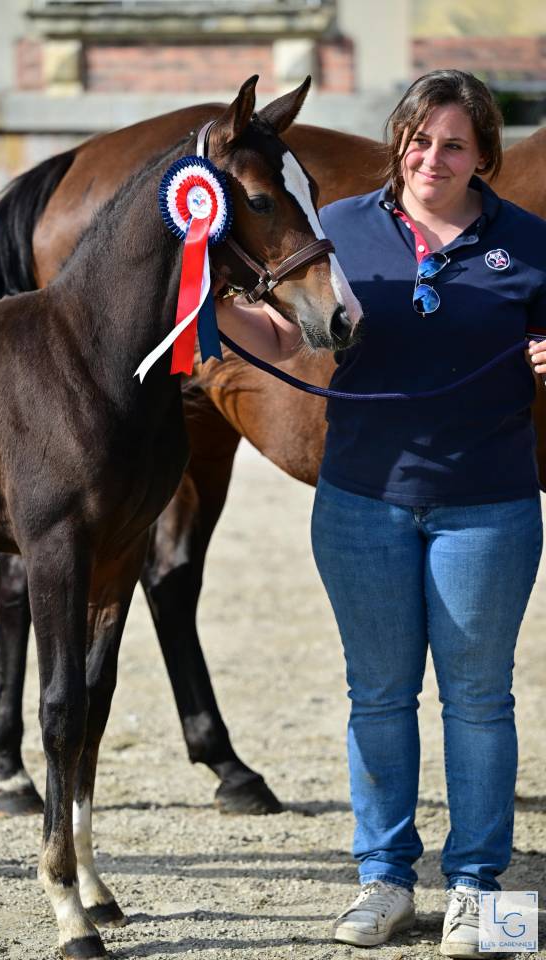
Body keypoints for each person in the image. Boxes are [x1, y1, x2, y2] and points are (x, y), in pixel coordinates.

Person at [216, 69, 546, 958]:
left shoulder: (530, 242)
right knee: (378, 697)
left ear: (483, 156)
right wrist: (216, 309)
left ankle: (478, 886)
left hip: (488, 507)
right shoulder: (340, 229)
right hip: (362, 503)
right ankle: (385, 880)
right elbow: (292, 338)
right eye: (417, 140)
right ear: (398, 140)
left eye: (453, 145)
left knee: (479, 701)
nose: (430, 158)